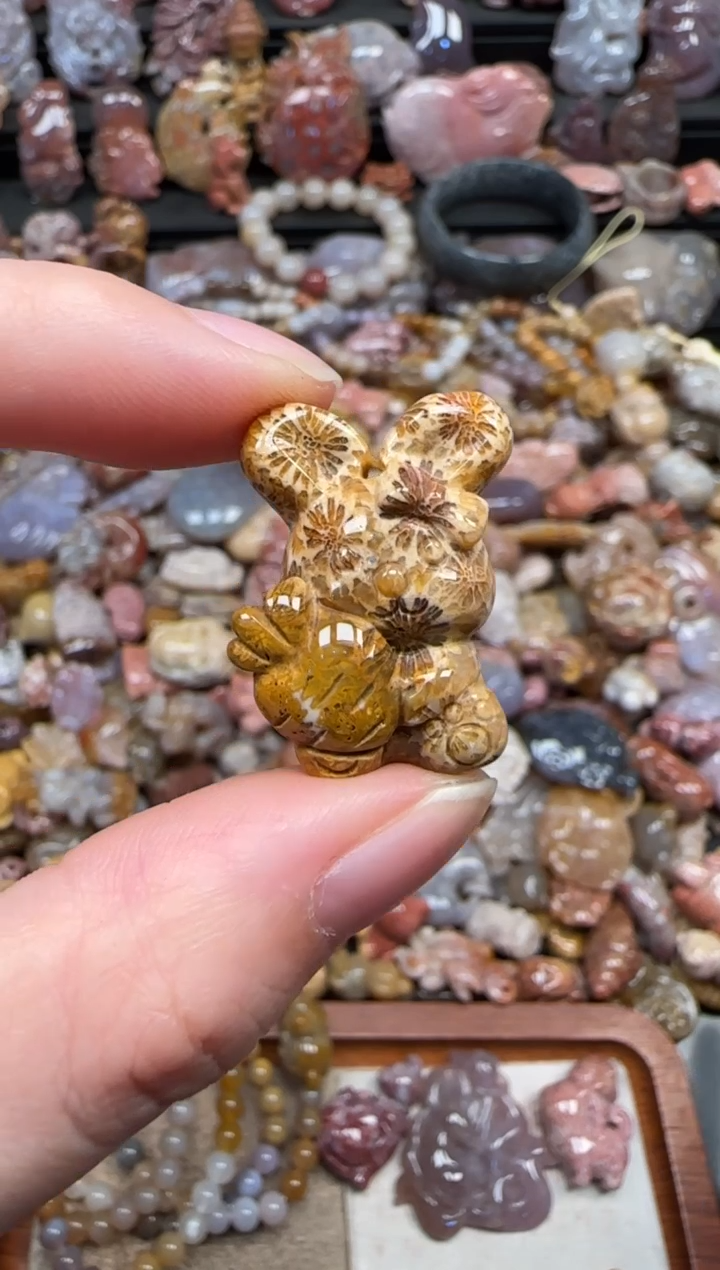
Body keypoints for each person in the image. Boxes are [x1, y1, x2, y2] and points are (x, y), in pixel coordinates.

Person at [0, 261, 493, 1230]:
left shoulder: (435, 606)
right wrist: (299, 668)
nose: (417, 572)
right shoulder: (323, 593)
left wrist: (446, 688)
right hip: (334, 683)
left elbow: (457, 683)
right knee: (339, 697)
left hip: (420, 681)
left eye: (445, 546)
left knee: (450, 712)